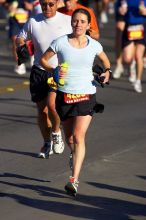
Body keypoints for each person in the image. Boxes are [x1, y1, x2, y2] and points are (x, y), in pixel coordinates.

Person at [41, 8, 111, 196]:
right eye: (75, 21)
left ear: (89, 25)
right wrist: (55, 71)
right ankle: (73, 154)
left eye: (82, 21)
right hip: (65, 95)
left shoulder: (94, 45)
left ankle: (74, 180)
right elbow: (44, 60)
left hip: (86, 94)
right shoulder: (60, 42)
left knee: (79, 136)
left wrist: (107, 72)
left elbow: (106, 62)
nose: (78, 24)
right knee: (70, 138)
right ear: (71, 22)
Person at [16, 0, 72, 158]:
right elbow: (20, 37)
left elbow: (79, 38)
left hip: (59, 71)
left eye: (51, 4)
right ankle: (47, 142)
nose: (47, 7)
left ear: (58, 3)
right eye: (44, 4)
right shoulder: (34, 21)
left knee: (52, 106)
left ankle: (56, 132)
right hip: (39, 71)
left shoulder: (67, 21)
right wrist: (21, 46)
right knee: (42, 111)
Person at [120, 0, 146, 93]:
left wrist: (144, 11)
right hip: (129, 27)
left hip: (142, 27)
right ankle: (131, 65)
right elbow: (120, 10)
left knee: (139, 56)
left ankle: (138, 81)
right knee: (127, 58)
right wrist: (121, 11)